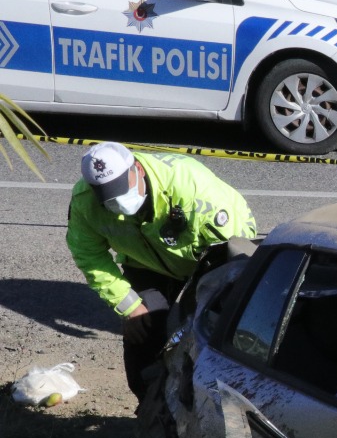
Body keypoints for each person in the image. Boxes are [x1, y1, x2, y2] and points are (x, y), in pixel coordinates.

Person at [67, 142, 257, 397]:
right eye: (108, 196)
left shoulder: (190, 185)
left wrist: (213, 298)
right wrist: (129, 305)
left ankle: (212, 401)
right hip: (145, 262)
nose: (117, 201)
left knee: (210, 332)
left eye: (121, 188)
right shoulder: (85, 202)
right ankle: (150, 413)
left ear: (138, 170)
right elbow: (89, 255)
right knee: (142, 337)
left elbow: (234, 249)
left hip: (209, 258)